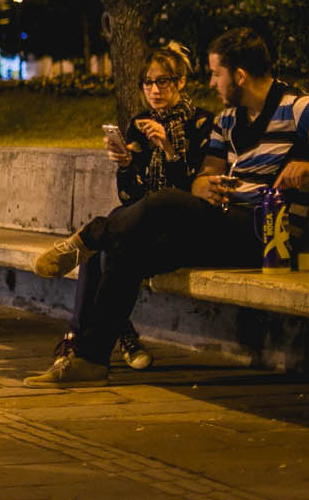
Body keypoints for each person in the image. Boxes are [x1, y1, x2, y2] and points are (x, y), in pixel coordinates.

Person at [26, 27, 309, 386]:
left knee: (164, 202)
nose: (211, 83)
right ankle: (90, 360)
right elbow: (204, 174)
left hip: (268, 235)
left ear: (239, 75)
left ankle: (88, 236)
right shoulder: (228, 119)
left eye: (216, 74)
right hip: (224, 223)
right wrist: (205, 185)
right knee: (126, 248)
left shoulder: (300, 108)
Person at [42, 44, 215, 372]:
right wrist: (125, 163)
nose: (154, 90)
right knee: (102, 248)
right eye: (147, 83)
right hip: (139, 220)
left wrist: (167, 147)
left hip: (182, 223)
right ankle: (105, 335)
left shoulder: (202, 124)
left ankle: (91, 337)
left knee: (104, 247)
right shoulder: (139, 123)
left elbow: (191, 190)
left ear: (180, 83)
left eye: (162, 81)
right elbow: (129, 195)